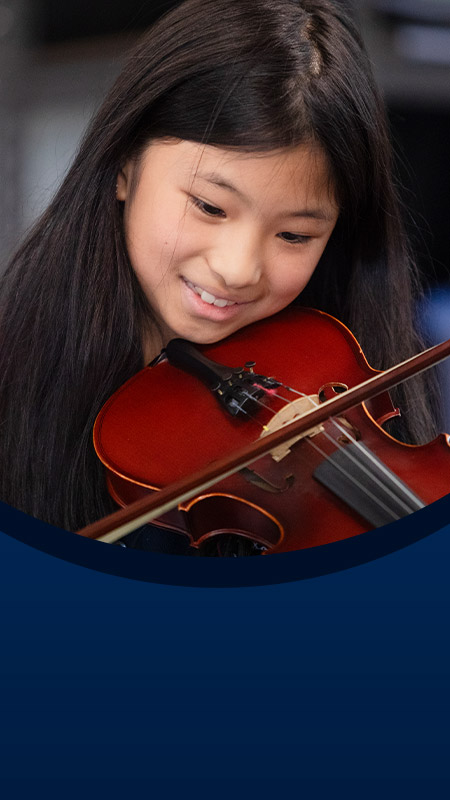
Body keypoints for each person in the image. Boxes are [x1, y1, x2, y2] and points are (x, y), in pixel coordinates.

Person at [0, 0, 439, 553]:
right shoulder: (14, 383)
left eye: (294, 235)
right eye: (209, 206)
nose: (237, 269)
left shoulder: (367, 371)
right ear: (125, 164)